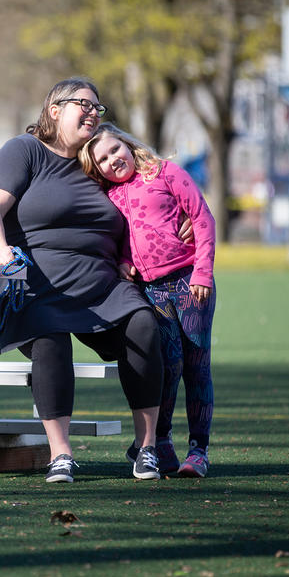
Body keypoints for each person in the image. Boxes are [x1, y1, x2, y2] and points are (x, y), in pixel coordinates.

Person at [0, 77, 165, 483]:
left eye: (98, 107)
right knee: (49, 336)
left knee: (143, 322)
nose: (93, 112)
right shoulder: (25, 152)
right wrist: (3, 254)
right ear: (54, 110)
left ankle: (147, 448)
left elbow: (150, 201)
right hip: (32, 283)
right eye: (83, 104)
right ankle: (61, 454)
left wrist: (179, 228)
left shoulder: (99, 160)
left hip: (101, 283)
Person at [78, 122, 216, 477]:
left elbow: (202, 218)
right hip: (152, 292)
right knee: (166, 368)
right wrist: (125, 261)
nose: (113, 160)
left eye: (114, 151)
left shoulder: (166, 172)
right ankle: (161, 443)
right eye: (103, 160)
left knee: (195, 366)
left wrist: (202, 271)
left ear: (126, 145)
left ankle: (198, 451)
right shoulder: (110, 196)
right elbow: (126, 236)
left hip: (190, 284)